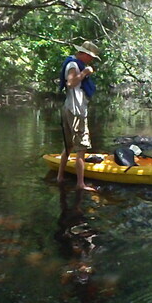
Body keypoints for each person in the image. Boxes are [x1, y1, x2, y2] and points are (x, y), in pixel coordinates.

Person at [57, 40, 100, 191]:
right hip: (76, 112)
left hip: (70, 109)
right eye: (91, 57)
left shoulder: (74, 64)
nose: (92, 60)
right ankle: (80, 184)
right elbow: (70, 83)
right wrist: (85, 73)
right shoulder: (74, 65)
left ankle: (60, 177)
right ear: (84, 54)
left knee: (68, 146)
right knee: (81, 148)